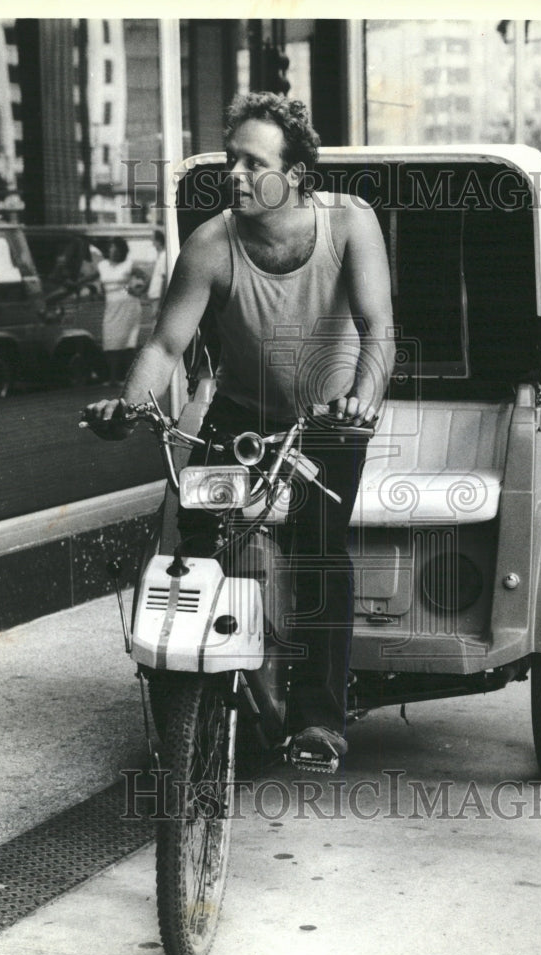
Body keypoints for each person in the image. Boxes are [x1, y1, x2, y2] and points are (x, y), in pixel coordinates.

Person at [82, 92, 394, 767]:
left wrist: (363, 401)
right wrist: (127, 406)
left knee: (316, 545)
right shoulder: (211, 244)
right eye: (231, 161)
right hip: (242, 416)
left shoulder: (348, 224)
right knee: (194, 541)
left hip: (330, 419)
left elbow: (379, 330)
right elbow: (165, 348)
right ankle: (184, 697)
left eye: (254, 163)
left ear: (298, 174)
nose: (236, 175)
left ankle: (317, 722)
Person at [98, 236, 142, 383]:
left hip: (128, 306)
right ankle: (113, 378)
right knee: (110, 341)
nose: (114, 252)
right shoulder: (102, 265)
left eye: (117, 250)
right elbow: (93, 280)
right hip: (111, 306)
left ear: (122, 251)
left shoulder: (128, 264)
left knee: (128, 343)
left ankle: (129, 378)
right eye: (111, 249)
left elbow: (146, 276)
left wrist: (136, 291)